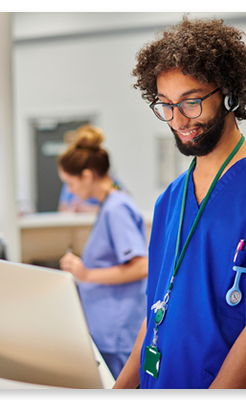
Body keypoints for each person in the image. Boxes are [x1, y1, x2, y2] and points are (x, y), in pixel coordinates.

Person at [114, 16, 246, 389]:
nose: (178, 119)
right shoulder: (171, 200)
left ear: (230, 93)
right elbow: (155, 312)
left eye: (191, 102)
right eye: (165, 105)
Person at [57, 124, 148, 379]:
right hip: (107, 328)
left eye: (69, 183)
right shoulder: (109, 204)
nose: (70, 191)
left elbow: (142, 266)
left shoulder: (116, 208)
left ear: (86, 176)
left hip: (118, 332)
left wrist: (86, 275)